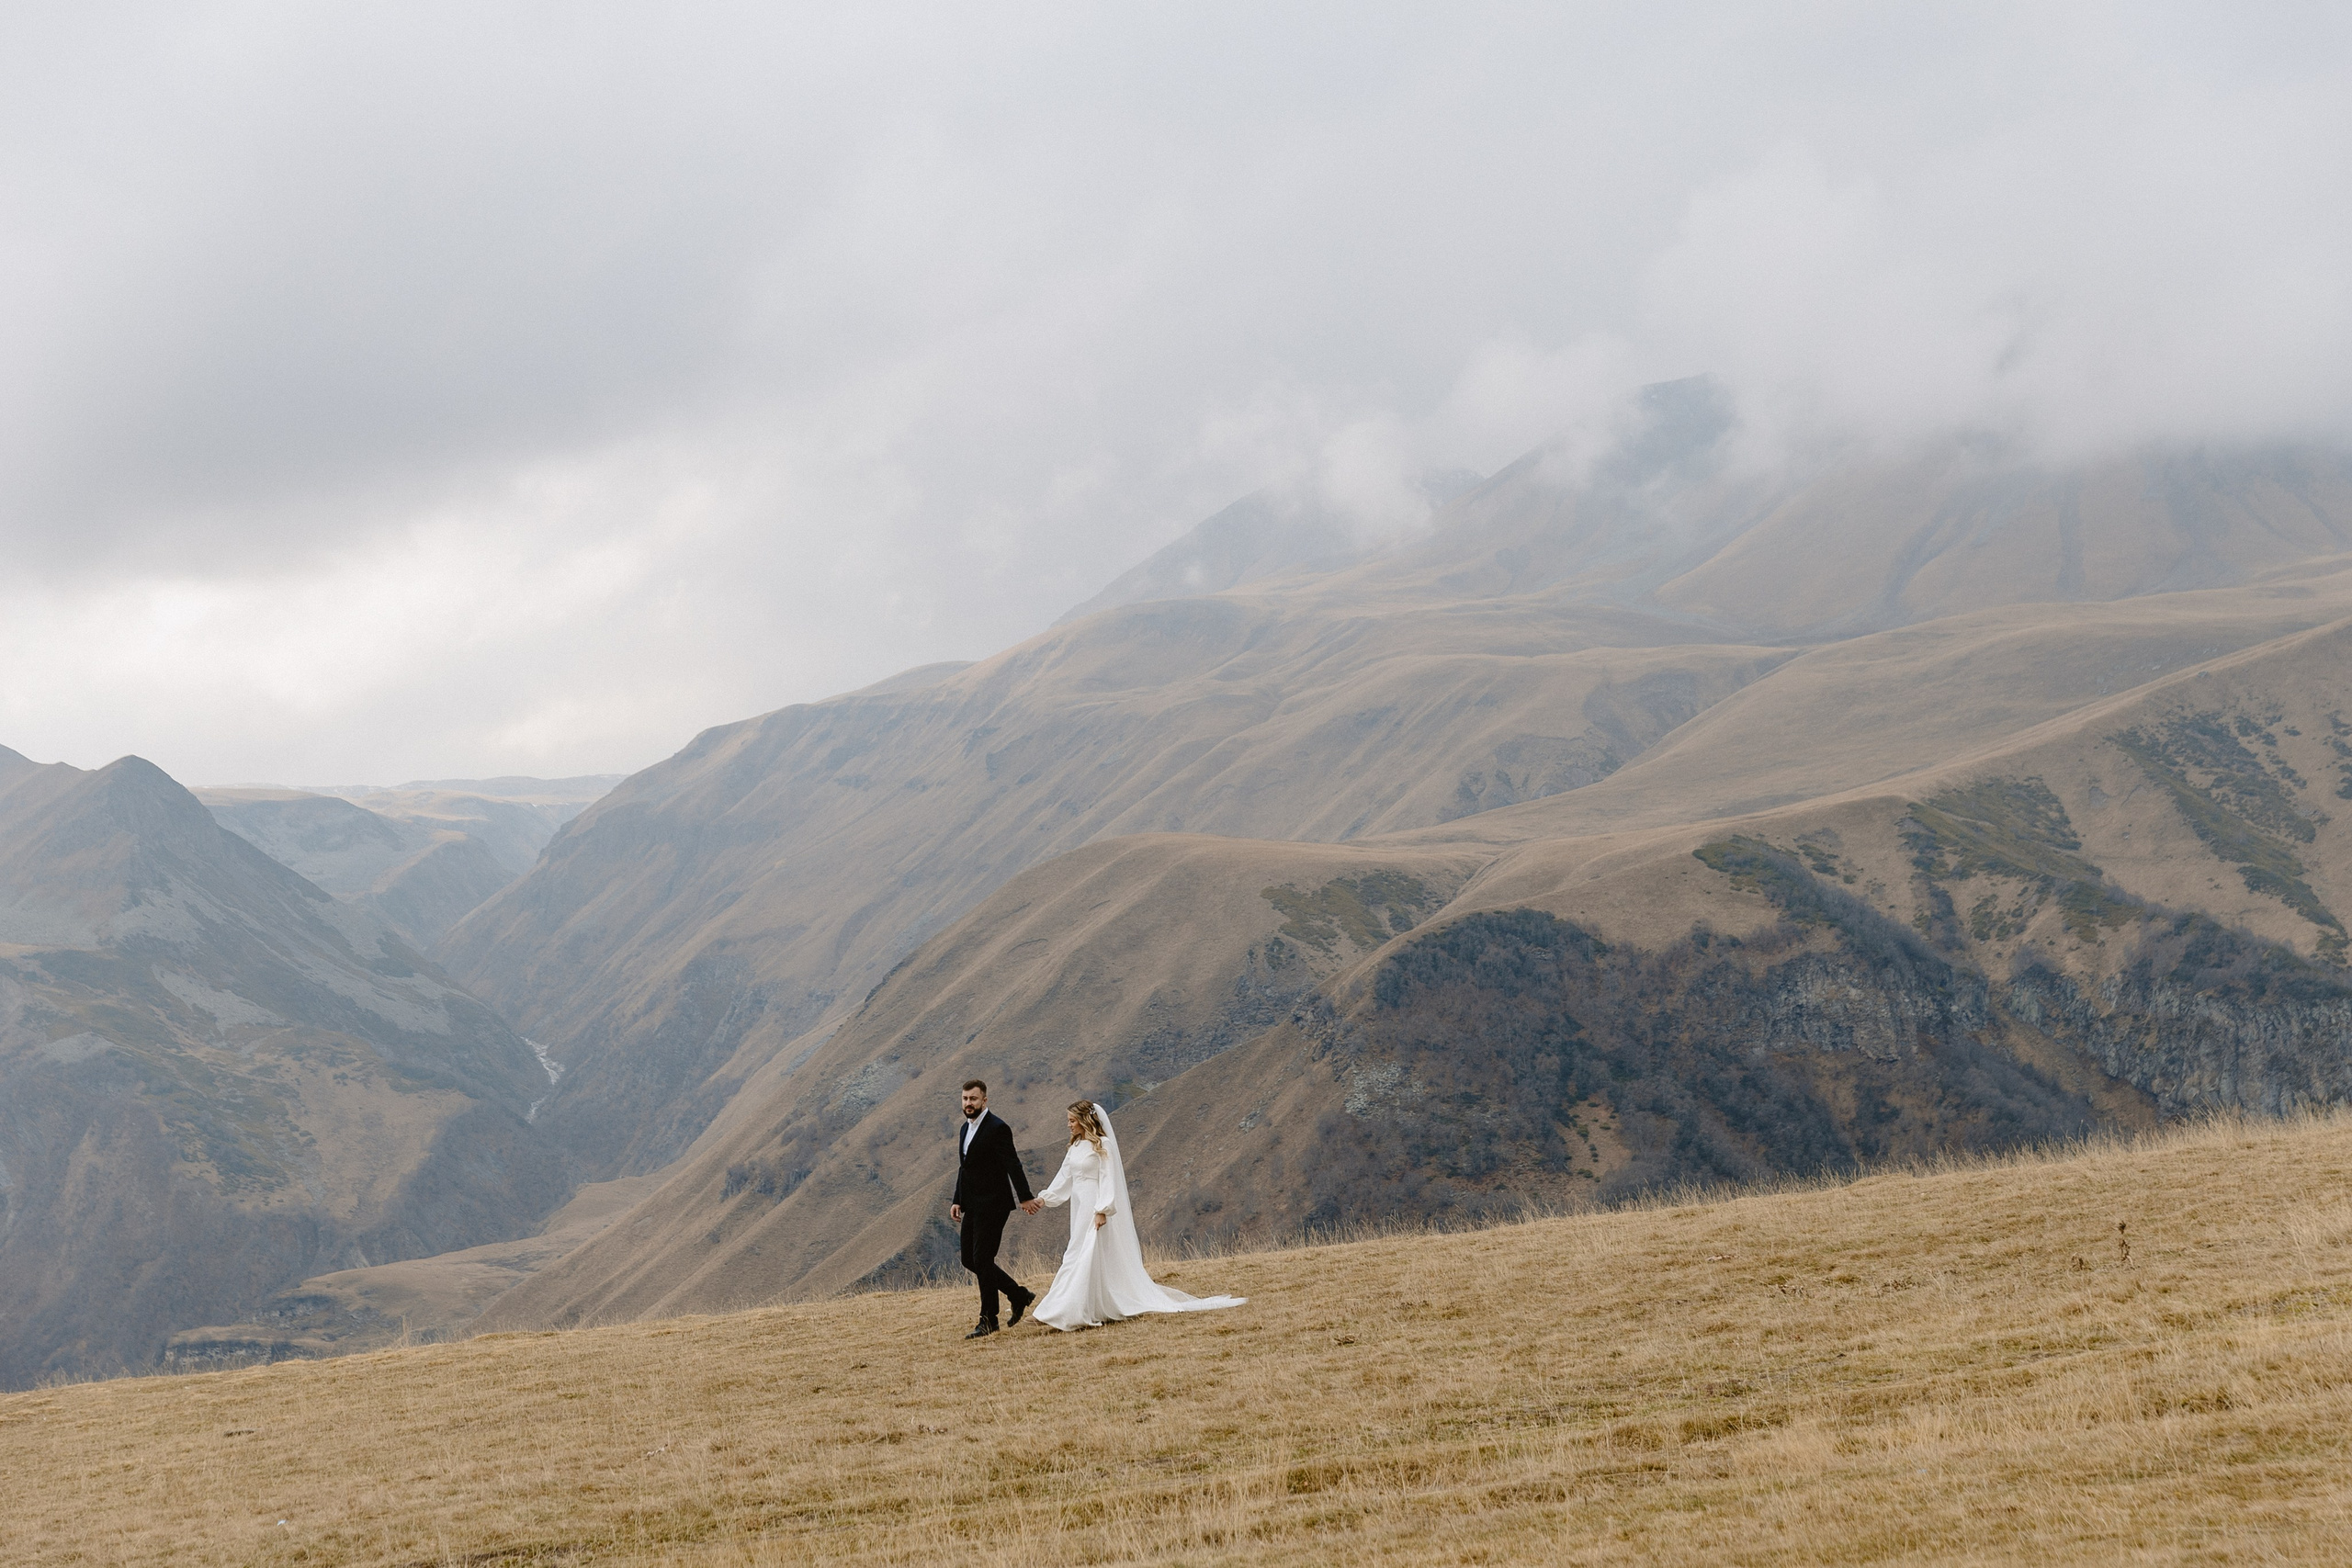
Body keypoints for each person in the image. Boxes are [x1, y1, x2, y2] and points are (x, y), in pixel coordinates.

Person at [1030, 1099, 1245, 1331]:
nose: (1069, 1125)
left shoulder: (1103, 1144)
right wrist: (1045, 1198)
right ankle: (1069, 1307)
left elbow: (1108, 1178)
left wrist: (1102, 1210)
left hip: (1094, 1205)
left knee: (1081, 1254)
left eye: (1072, 1120)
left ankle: (1059, 1311)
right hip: (1079, 1206)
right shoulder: (1075, 1147)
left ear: (1085, 1120)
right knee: (1076, 1254)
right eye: (1068, 1120)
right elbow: (1065, 1177)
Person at [948, 1078, 1038, 1339]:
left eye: (973, 1099)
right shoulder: (965, 1129)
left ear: (984, 1100)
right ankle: (1018, 1294)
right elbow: (965, 1169)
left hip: (994, 1205)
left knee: (983, 1260)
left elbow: (1013, 1164)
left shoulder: (998, 1128)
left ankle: (988, 1320)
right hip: (973, 1205)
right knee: (969, 1259)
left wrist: (1025, 1197)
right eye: (965, 1099)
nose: (968, 1103)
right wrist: (957, 1200)